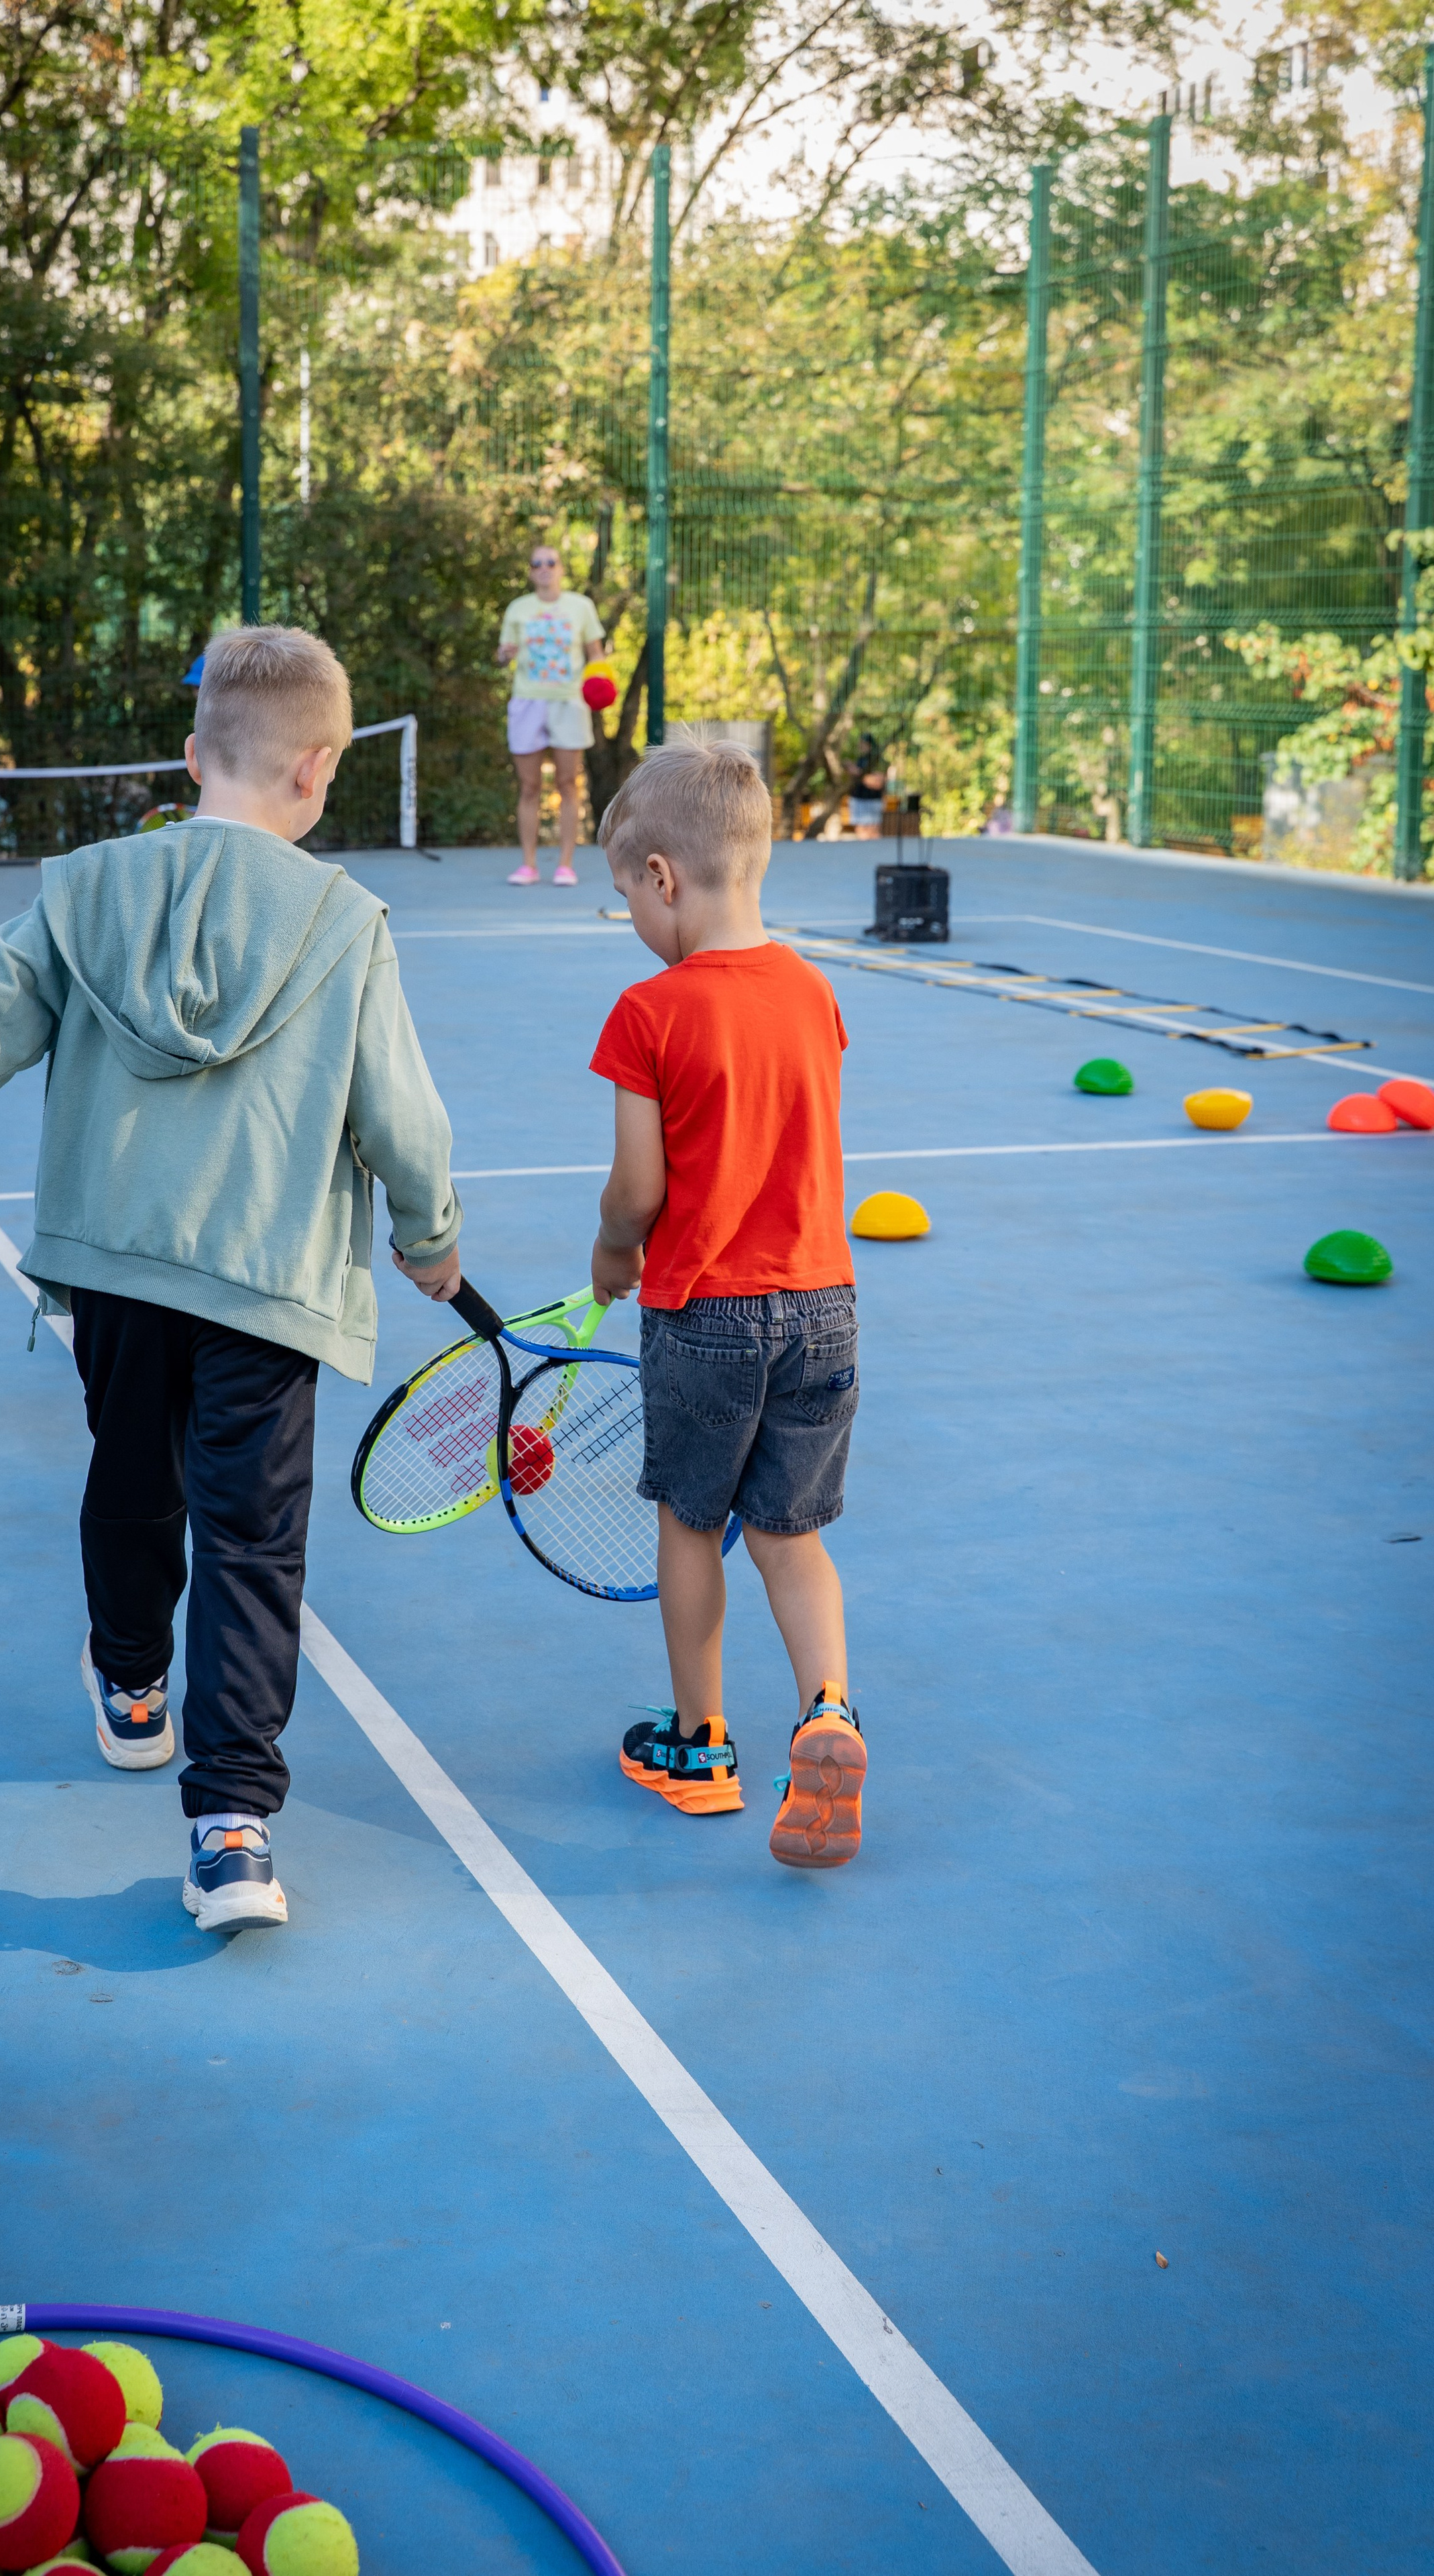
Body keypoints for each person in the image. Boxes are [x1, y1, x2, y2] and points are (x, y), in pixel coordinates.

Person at [0, 626, 463, 1933]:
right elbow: (404, 1116)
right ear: (319, 770)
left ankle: (133, 1677)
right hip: (266, 1283)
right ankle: (230, 1826)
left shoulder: (87, 890)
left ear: (195, 751)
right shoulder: (346, 924)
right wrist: (429, 1235)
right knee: (254, 1545)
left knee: (131, 1476)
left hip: (113, 1272)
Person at [586, 741, 867, 1870]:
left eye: (626, 900)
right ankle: (829, 1713)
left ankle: (699, 1745)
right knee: (791, 1538)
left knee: (691, 1523)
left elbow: (641, 1190)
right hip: (825, 1304)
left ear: (663, 877)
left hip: (705, 1313)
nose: (634, 925)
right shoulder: (813, 989)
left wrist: (612, 1251)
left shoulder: (649, 1012)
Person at [497, 541, 604, 886]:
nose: (544, 567)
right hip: (528, 702)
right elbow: (502, 656)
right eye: (537, 563)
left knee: (568, 783)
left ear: (560, 569)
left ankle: (566, 865)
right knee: (529, 786)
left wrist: (600, 686)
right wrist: (504, 654)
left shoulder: (581, 607)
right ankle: (528, 865)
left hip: (569, 703)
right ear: (531, 572)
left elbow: (596, 654)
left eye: (550, 562)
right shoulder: (518, 609)